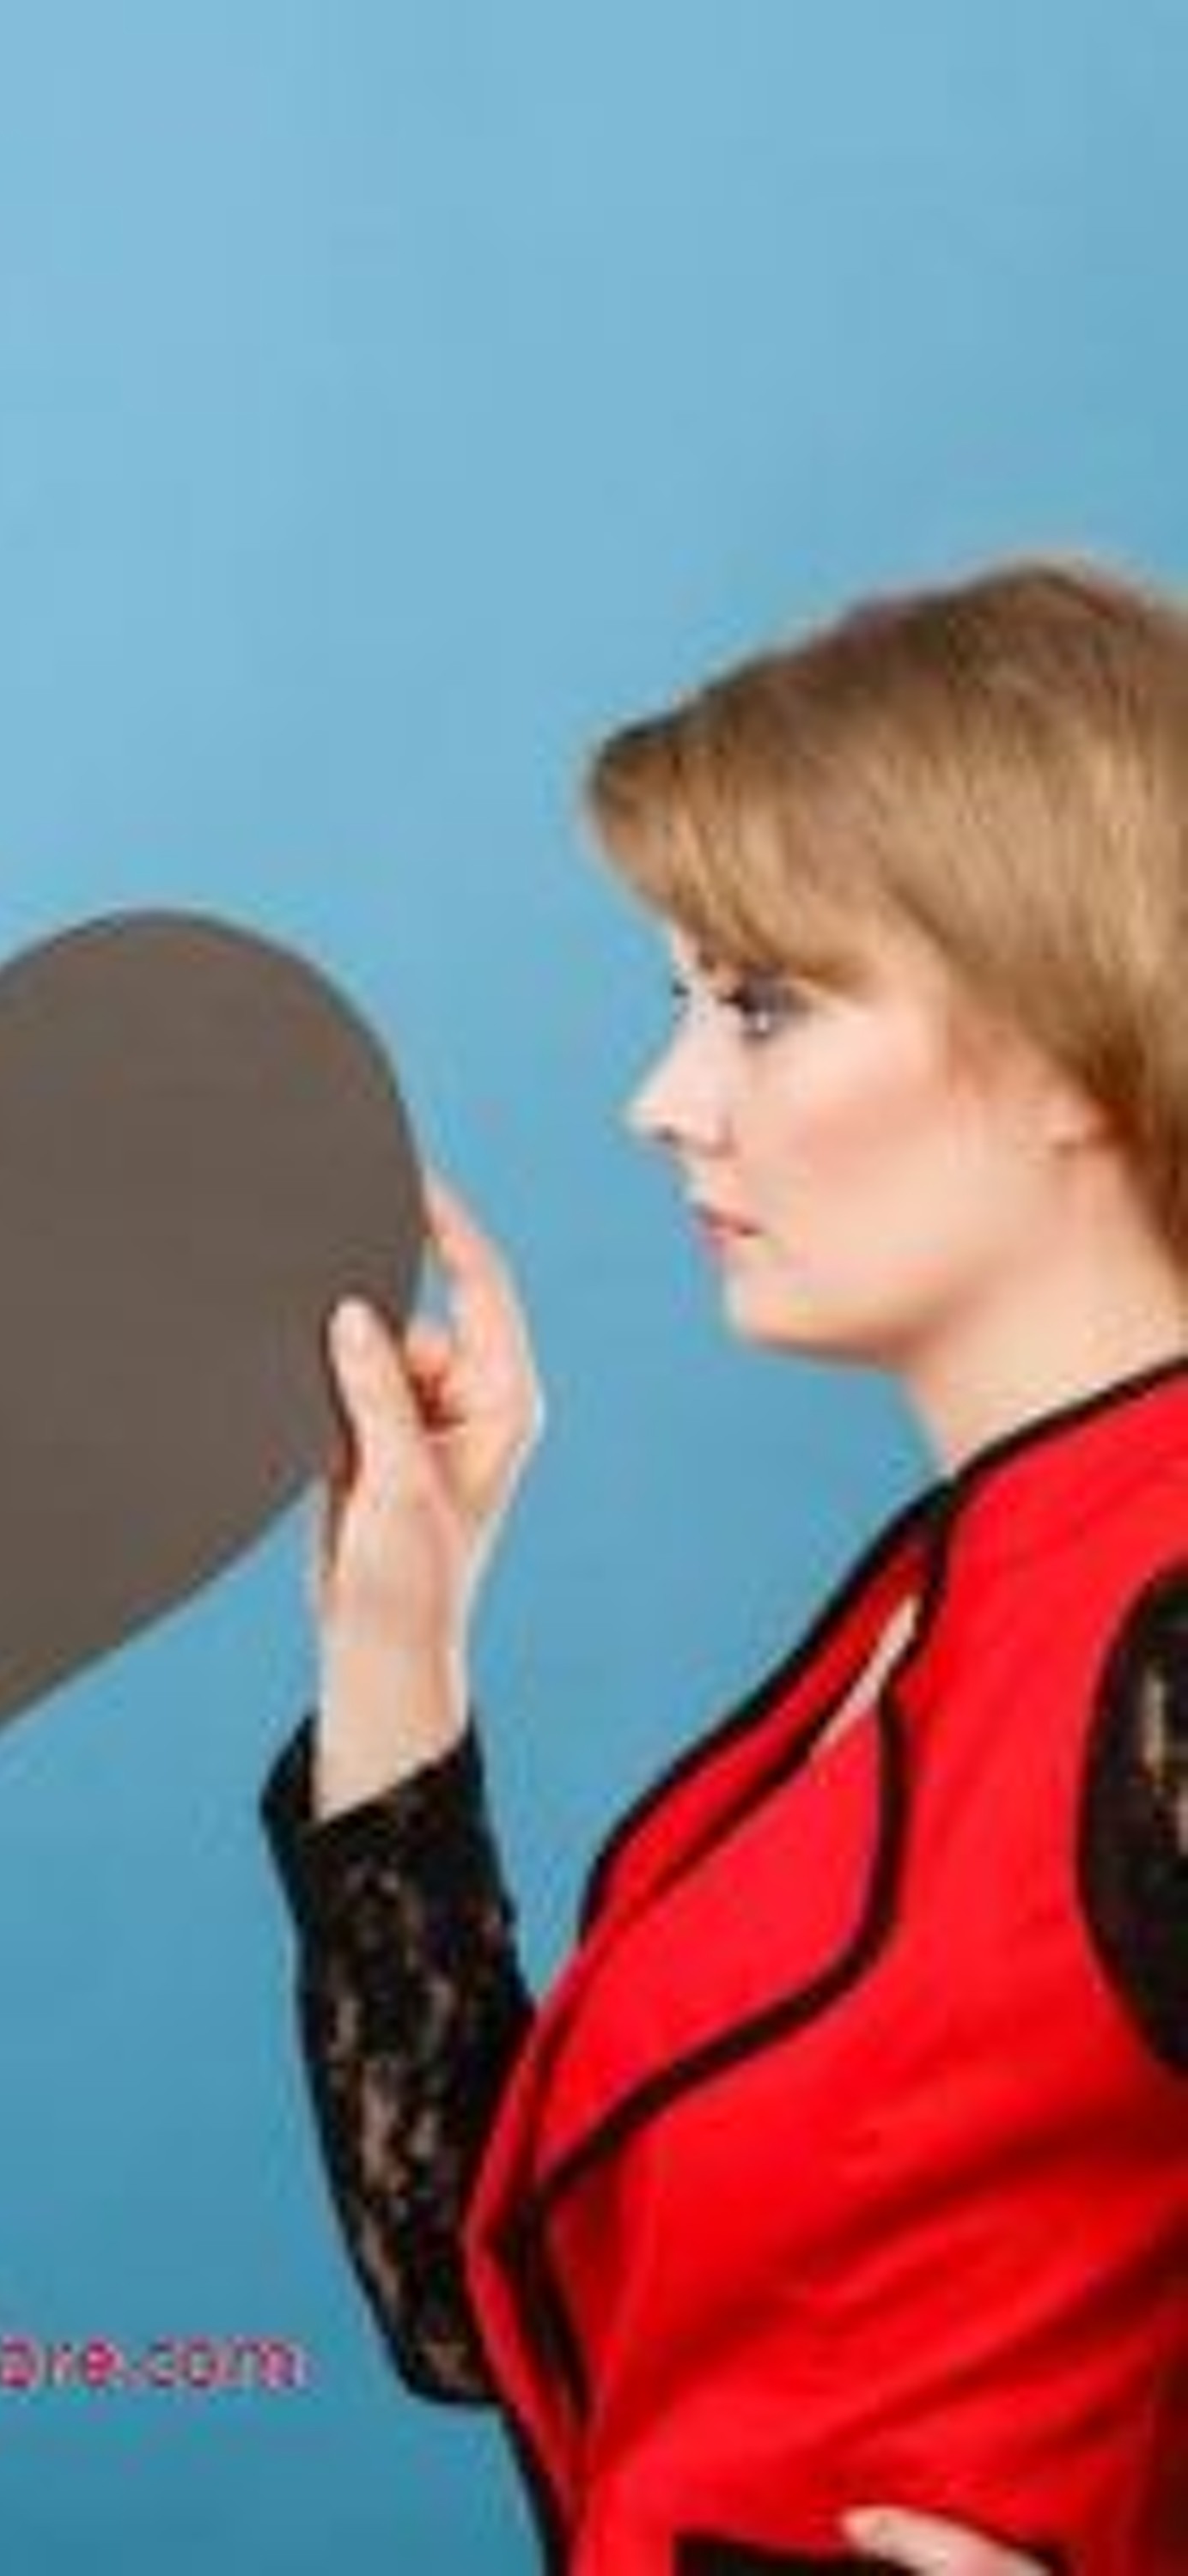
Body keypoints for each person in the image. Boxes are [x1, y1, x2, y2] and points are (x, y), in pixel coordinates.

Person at [264, 562, 1188, 2573]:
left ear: (1074, 1034)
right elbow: (489, 2303)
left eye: (760, 1004)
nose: (662, 1103)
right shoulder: (935, 1609)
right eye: (677, 1004)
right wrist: (399, 1641)